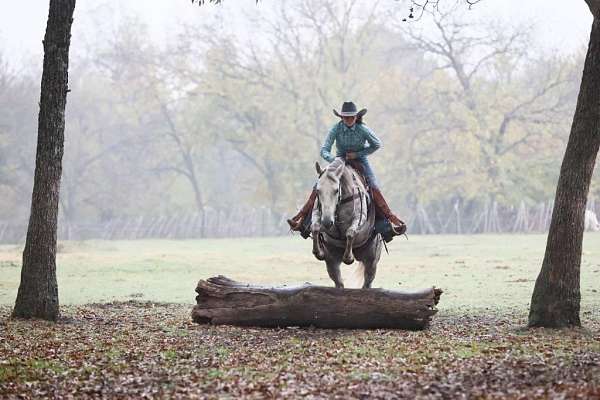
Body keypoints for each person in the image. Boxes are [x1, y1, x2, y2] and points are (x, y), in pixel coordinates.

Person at [287, 101, 406, 238]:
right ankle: (303, 221)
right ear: (341, 118)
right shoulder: (335, 129)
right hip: (339, 159)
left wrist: (357, 154)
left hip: (360, 160)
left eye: (351, 117)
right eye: (345, 117)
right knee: (320, 185)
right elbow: (324, 150)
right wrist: (335, 161)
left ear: (356, 117)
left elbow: (377, 144)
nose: (348, 120)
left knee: (373, 185)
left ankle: (387, 224)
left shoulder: (363, 129)